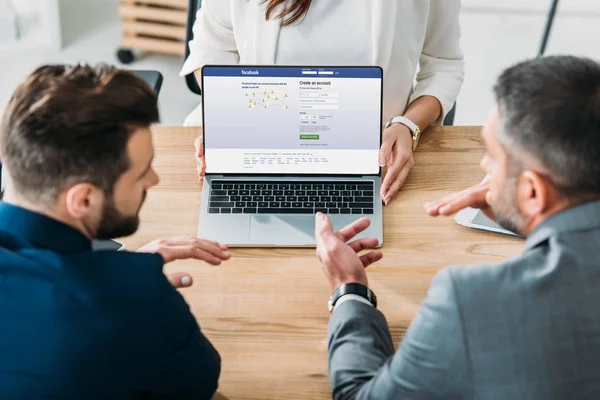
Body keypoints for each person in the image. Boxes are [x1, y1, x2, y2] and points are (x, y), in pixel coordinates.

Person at [313, 55, 600, 399]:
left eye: (492, 155)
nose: (483, 164)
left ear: (534, 191)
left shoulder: (471, 301)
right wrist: (527, 215)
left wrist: (350, 290)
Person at [0, 64, 231, 399]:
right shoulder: (135, 300)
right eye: (141, 172)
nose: (154, 179)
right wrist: (133, 289)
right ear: (85, 199)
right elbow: (200, 383)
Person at [181, 0, 465, 205]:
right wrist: (232, 116)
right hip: (263, 150)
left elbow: (443, 65)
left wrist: (407, 125)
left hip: (377, 161)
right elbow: (211, 50)